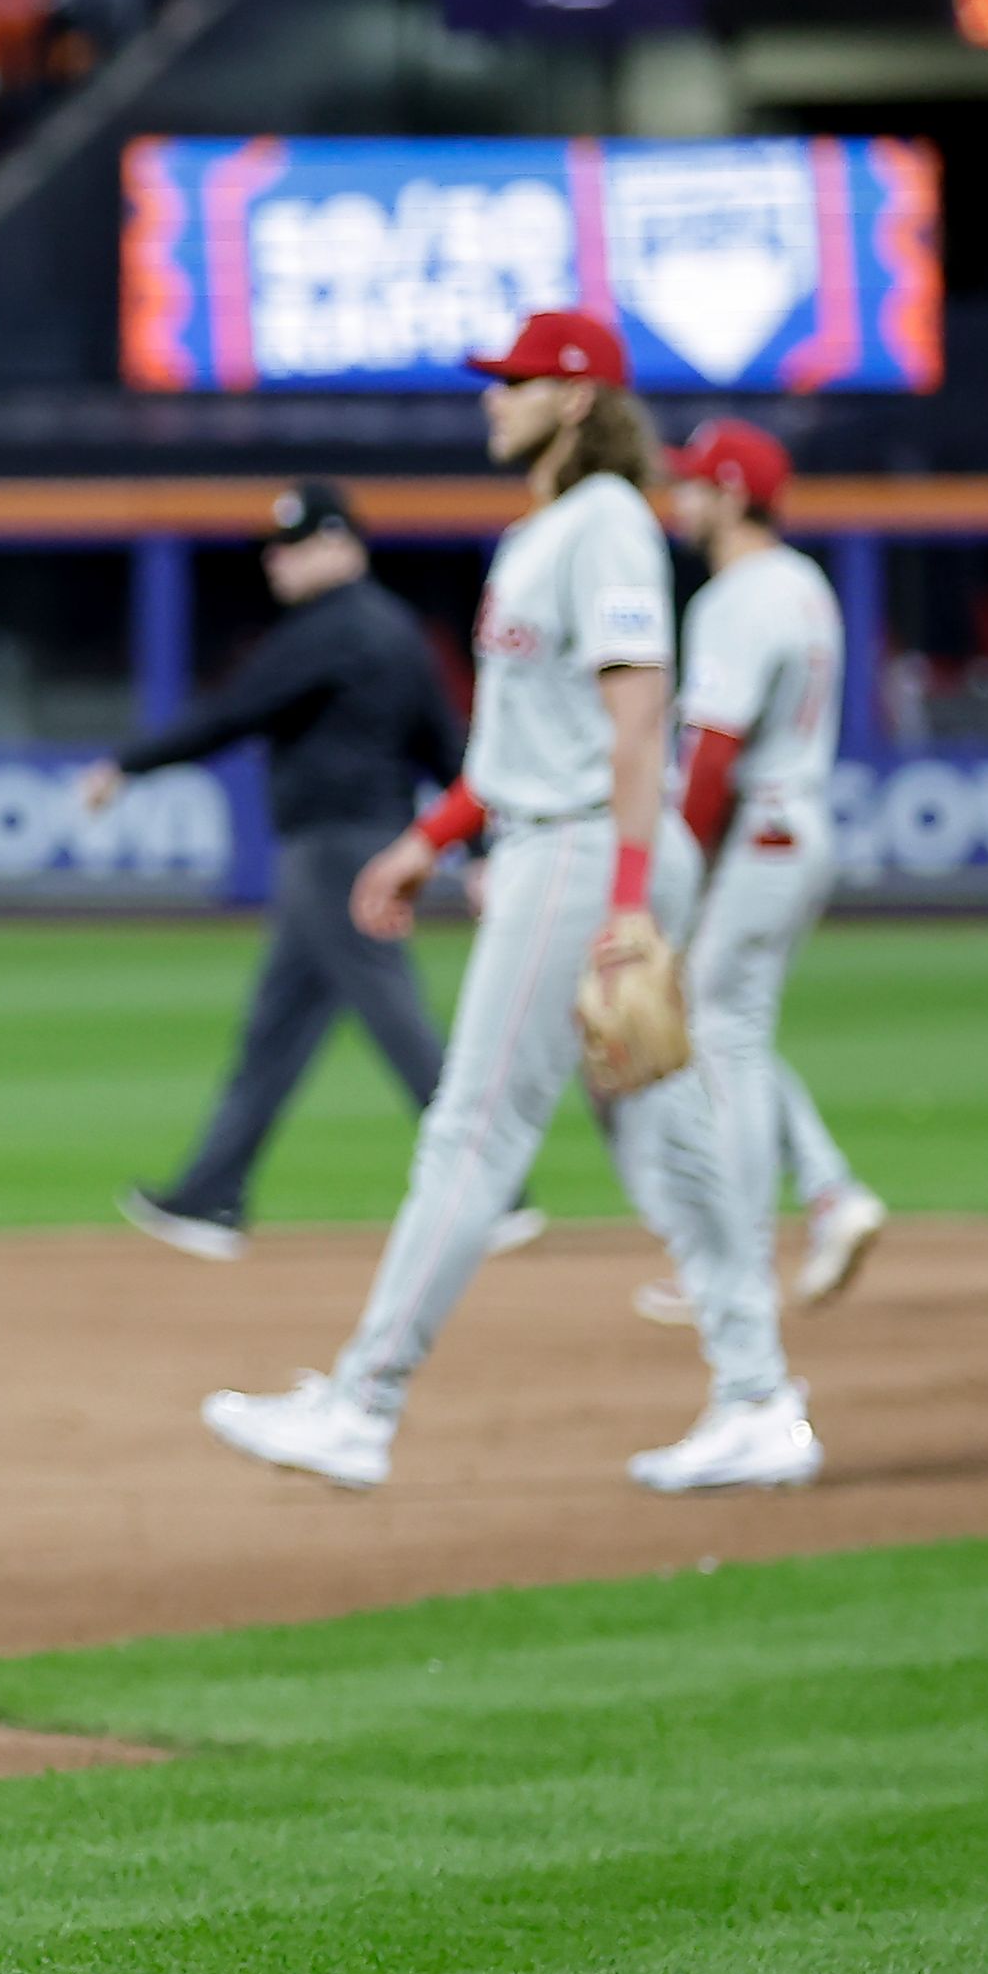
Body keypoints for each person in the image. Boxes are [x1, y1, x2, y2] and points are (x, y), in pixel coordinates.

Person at [201, 310, 810, 1493]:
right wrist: (428, 838)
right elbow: (530, 734)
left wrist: (628, 900)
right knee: (667, 1143)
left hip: (586, 855)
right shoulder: (551, 530)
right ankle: (759, 1397)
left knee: (473, 1129)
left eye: (517, 379)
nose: (494, 396)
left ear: (576, 397)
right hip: (557, 839)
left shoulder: (608, 529)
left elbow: (637, 722)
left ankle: (364, 1403)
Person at [85, 481, 542, 1263]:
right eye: (274, 545)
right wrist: (476, 849)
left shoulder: (330, 628)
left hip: (337, 848)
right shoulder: (397, 628)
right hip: (356, 840)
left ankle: (491, 1187)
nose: (277, 560)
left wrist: (128, 764)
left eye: (292, 544)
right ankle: (210, 1194)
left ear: (339, 544)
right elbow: (446, 746)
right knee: (277, 1029)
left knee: (395, 1021)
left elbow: (232, 712)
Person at [629, 420, 887, 1331]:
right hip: (796, 822)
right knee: (727, 1024)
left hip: (756, 831)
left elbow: (712, 758)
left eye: (697, 484)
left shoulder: (734, 597)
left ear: (736, 492)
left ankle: (733, 1262)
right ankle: (828, 1192)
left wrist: (677, 873)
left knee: (715, 1038)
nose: (682, 499)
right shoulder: (805, 583)